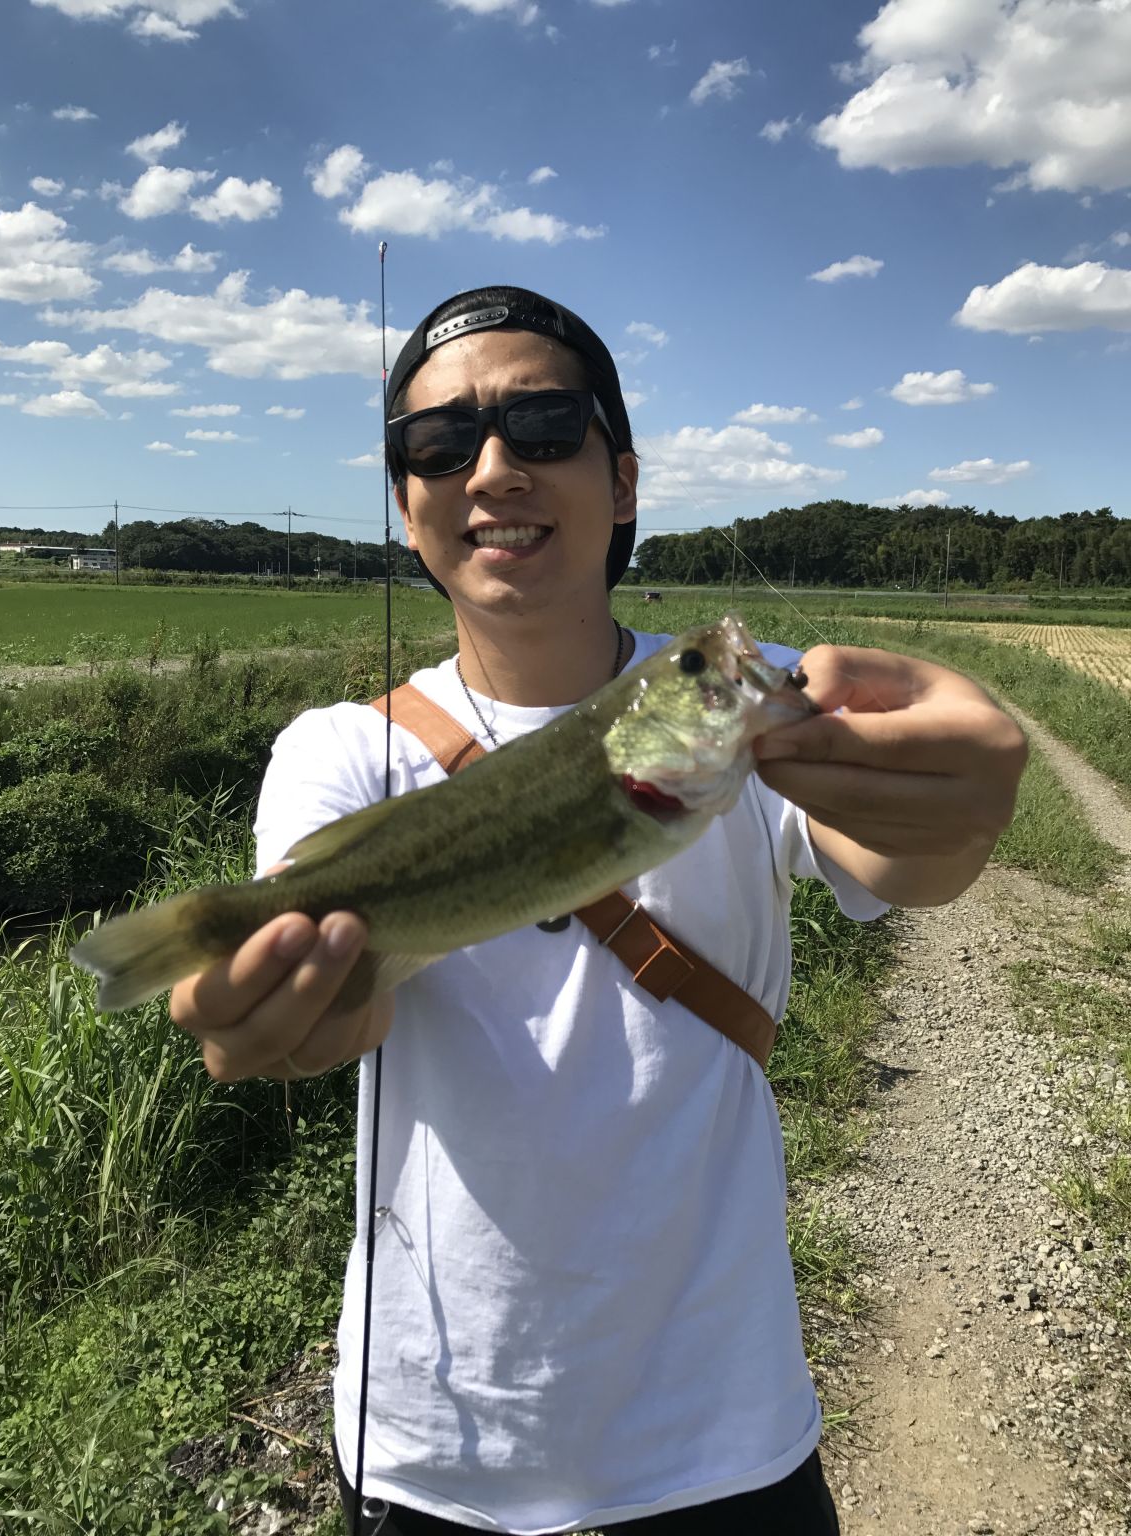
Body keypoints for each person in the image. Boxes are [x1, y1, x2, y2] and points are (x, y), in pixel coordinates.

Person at [170, 286, 1028, 1535]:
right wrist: (275, 1016)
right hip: (431, 1444)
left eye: (547, 424)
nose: (496, 466)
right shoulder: (340, 754)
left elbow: (902, 865)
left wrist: (957, 817)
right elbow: (338, 1013)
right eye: (440, 443)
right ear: (409, 509)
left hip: (722, 1438)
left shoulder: (736, 706)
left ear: (623, 481)